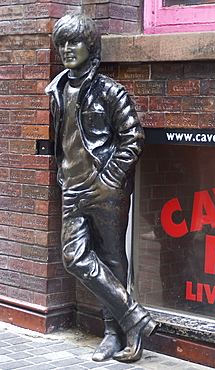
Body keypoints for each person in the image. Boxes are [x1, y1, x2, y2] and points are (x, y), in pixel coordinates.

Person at [45, 13, 158, 363]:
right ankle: (134, 317)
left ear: (90, 46)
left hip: (103, 188)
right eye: (61, 43)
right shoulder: (57, 90)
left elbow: (133, 137)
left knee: (111, 259)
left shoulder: (109, 91)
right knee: (74, 258)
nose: (66, 49)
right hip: (72, 188)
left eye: (74, 42)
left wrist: (109, 177)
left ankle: (114, 334)